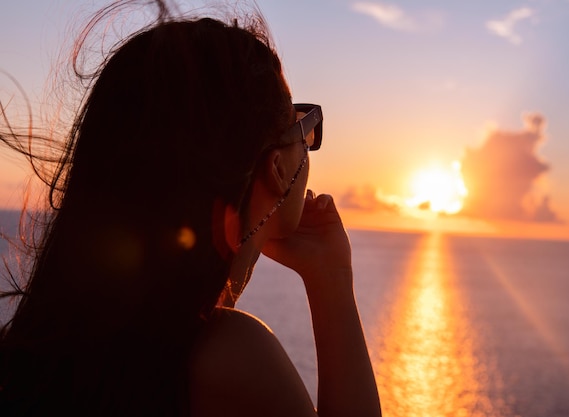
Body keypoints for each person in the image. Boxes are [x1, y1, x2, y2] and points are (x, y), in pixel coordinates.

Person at [0, 1, 381, 416]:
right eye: (304, 130)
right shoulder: (231, 360)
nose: (308, 147)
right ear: (275, 167)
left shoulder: (55, 339)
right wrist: (333, 284)